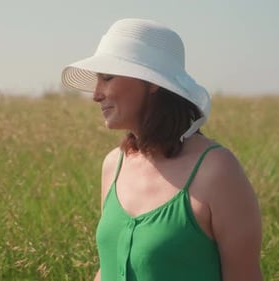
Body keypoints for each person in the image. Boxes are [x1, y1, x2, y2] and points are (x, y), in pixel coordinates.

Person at [61, 18, 262, 281]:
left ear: (153, 82)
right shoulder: (114, 164)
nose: (96, 94)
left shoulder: (217, 170)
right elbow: (108, 268)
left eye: (108, 78)